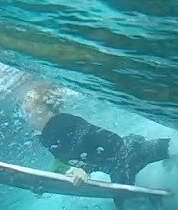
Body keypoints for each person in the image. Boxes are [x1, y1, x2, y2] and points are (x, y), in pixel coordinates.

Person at [21, 81, 170, 188]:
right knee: (127, 203)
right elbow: (63, 157)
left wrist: (84, 169)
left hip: (130, 152)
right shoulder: (45, 136)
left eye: (28, 110)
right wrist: (49, 179)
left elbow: (106, 139)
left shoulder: (63, 122)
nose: (25, 114)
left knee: (175, 149)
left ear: (44, 108)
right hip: (115, 167)